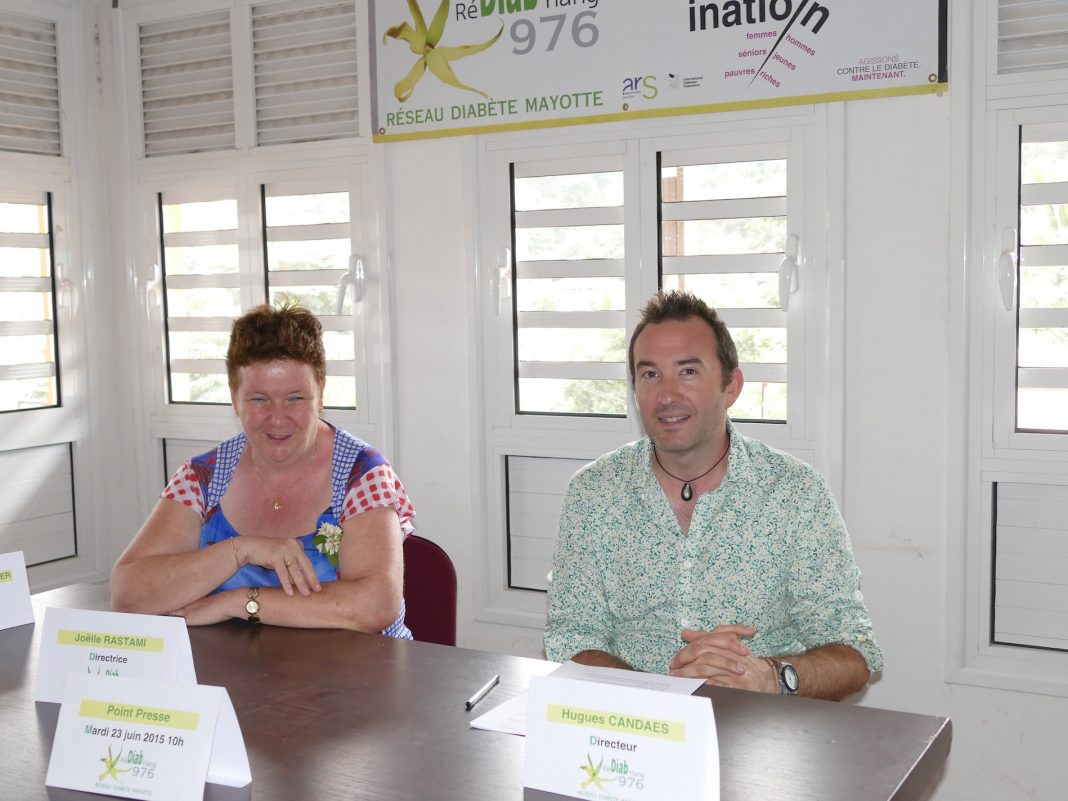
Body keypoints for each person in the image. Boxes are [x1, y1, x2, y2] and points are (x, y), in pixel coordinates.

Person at [544, 290, 882, 699]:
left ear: (731, 386)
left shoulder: (795, 493)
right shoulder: (594, 493)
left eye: (688, 371)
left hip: (764, 726)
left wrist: (769, 676)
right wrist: (662, 694)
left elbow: (856, 655)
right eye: (650, 375)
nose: (667, 395)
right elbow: (570, 639)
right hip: (634, 721)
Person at [112, 303, 414, 636]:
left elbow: (375, 606)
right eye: (259, 399)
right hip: (231, 667)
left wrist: (240, 602)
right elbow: (127, 595)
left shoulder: (363, 474)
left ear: (321, 394)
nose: (278, 418)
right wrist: (241, 550)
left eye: (296, 398)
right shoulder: (203, 477)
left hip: (357, 667)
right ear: (234, 397)